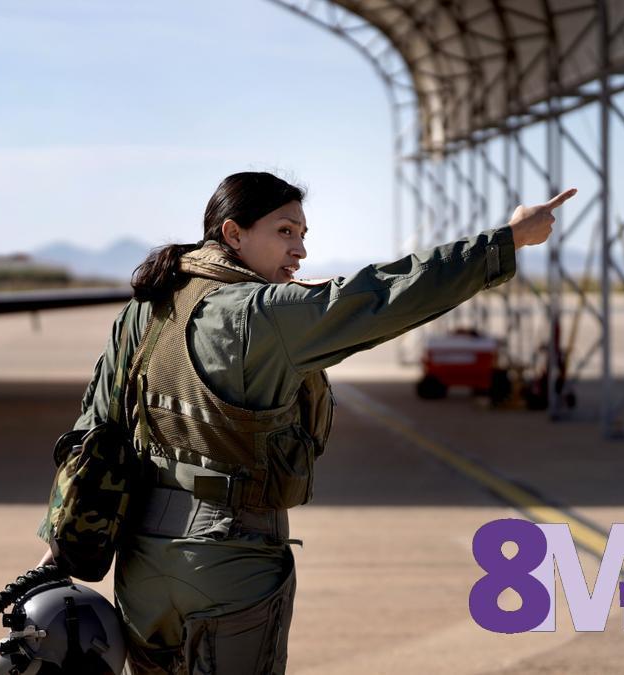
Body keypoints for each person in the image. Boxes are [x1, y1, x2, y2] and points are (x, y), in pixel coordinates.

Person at [37, 171, 575, 674]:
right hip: (228, 558)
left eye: (303, 233)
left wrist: (61, 541)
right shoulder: (263, 314)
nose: (300, 248)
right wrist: (508, 238)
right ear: (233, 234)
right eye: (285, 231)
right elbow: (390, 295)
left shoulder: (145, 307)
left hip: (141, 564)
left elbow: (92, 432)